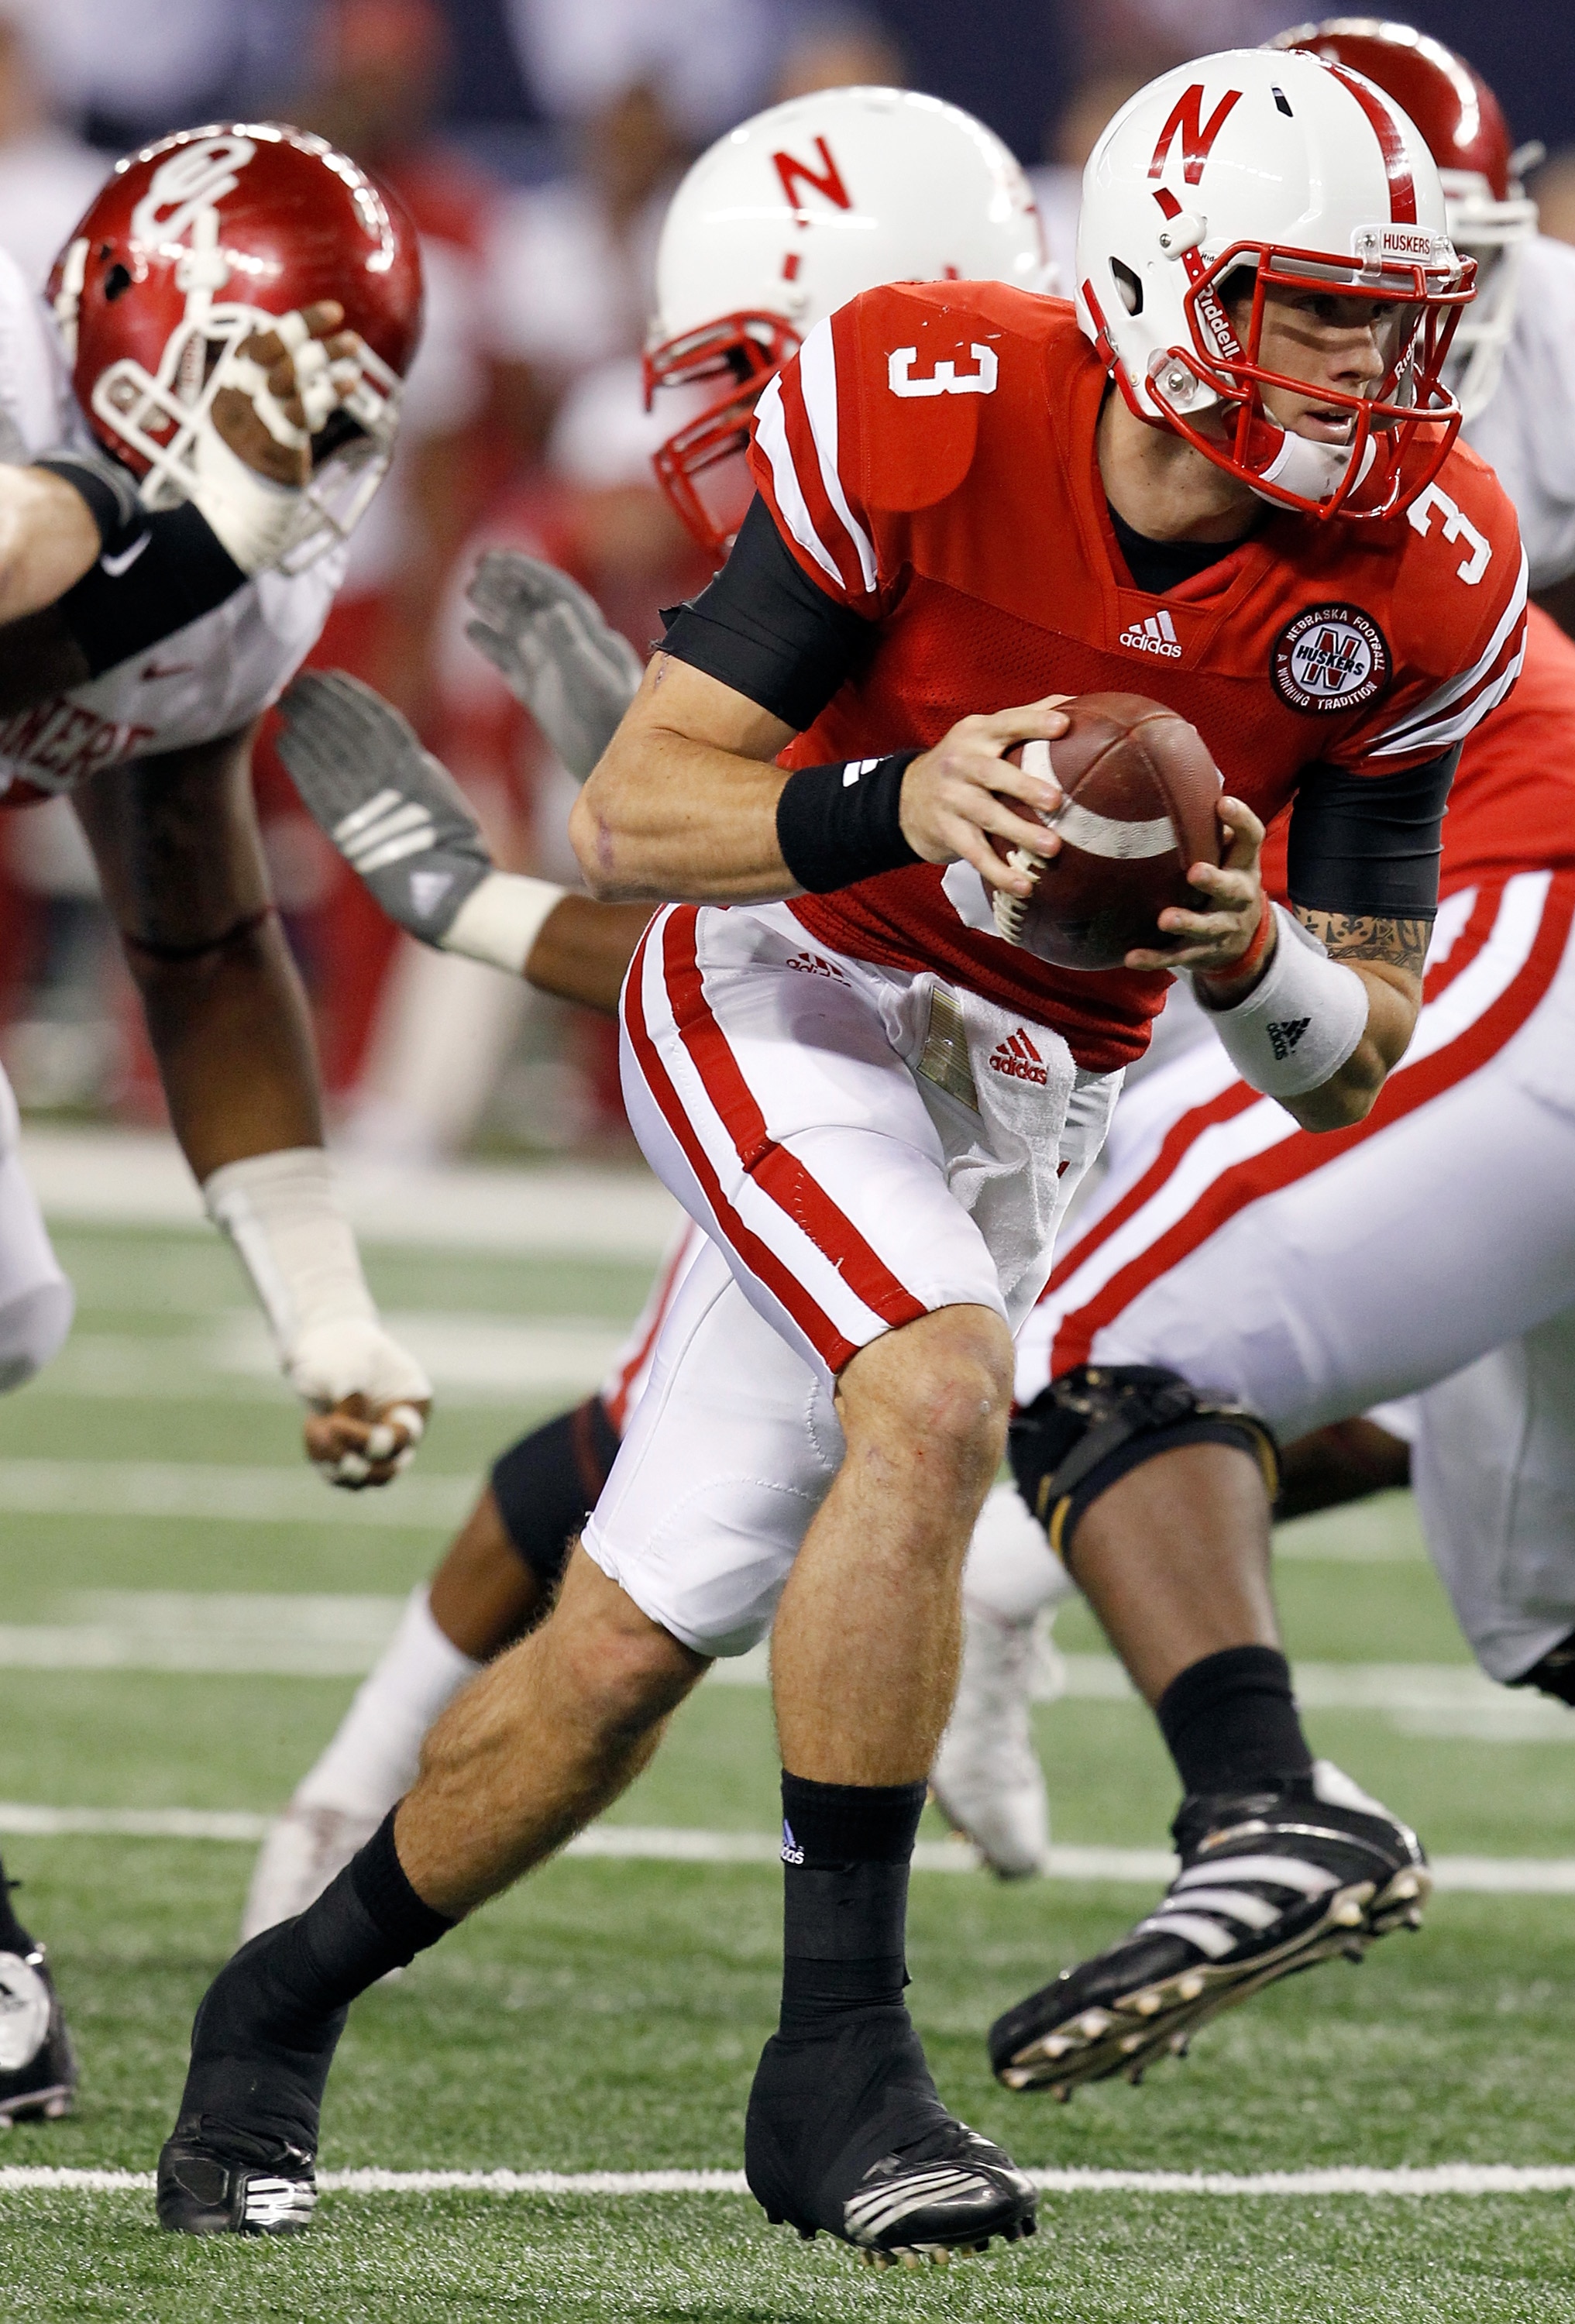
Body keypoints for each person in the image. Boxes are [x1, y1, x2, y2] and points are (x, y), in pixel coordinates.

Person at [157, 49, 1523, 2261]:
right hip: (790, 980)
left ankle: (274, 2004)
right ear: (1178, 286)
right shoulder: (927, 386)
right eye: (1321, 310)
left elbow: (1352, 1051)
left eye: (1397, 316)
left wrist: (1258, 950)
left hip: (1031, 1082)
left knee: (618, 1653)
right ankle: (837, 2079)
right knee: (938, 1386)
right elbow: (641, 808)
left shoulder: (1428, 572)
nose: (1380, 364)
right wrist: (902, 797)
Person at [238, 77, 1061, 1939]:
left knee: (1008, 1437)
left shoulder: (1067, 585)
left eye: (767, 379)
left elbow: (906, 974)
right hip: (950, 1094)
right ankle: (346, 1809)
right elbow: (795, 961)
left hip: (1097, 1135)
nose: (730, 434)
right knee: (637, 1459)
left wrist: (482, 902)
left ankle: (1131, 1681)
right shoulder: (908, 536)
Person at [942, 22, 1575, 2097]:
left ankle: (1264, 1806)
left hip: (1555, 903)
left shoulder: (1048, 440)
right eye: (1319, 307)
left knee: (1080, 1334)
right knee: (1560, 1590)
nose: (1380, 362)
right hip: (1538, 930)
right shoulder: (984, 435)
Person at [0, 119, 430, 2133]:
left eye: (326, 416)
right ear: (111, 321)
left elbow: (190, 917)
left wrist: (319, 1302)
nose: (297, 452)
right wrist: (193, 527)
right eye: (253, 392)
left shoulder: (245, 568)